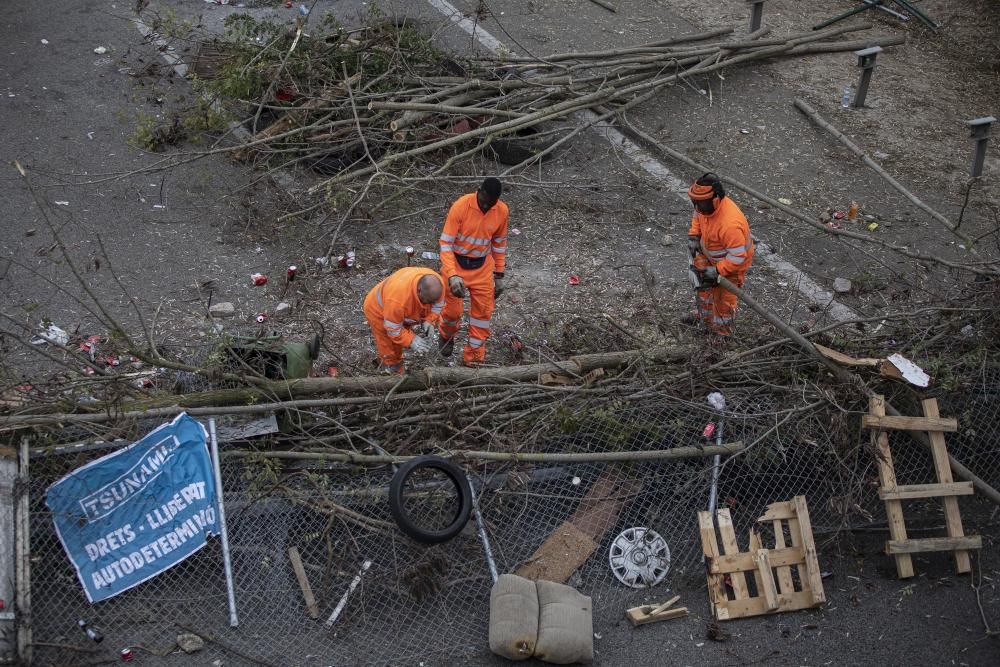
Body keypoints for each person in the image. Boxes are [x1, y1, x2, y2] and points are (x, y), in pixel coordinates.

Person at [437, 177, 509, 366]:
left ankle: (474, 361)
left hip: (482, 269)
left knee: (482, 316)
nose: (486, 206)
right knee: (452, 313)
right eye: (484, 201)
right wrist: (452, 275)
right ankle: (446, 336)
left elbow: (499, 244)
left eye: (491, 204)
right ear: (479, 191)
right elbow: (445, 244)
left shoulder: (501, 211)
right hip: (456, 266)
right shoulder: (461, 206)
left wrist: (499, 275)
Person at [686, 173, 754, 336]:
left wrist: (717, 271)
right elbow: (698, 216)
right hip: (711, 256)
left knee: (724, 301)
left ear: (715, 199)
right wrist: (694, 235)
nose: (697, 207)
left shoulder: (730, 224)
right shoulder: (703, 206)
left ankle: (722, 333)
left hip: (731, 266)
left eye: (700, 203)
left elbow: (738, 257)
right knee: (704, 290)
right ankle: (705, 318)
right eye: (696, 202)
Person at [363, 267, 445, 374]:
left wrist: (430, 320)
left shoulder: (437, 285)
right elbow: (393, 330)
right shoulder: (398, 300)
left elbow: (438, 304)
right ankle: (391, 370)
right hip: (378, 311)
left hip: (399, 308)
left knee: (401, 335)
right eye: (427, 301)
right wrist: (412, 339)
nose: (429, 305)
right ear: (419, 291)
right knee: (389, 345)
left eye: (432, 302)